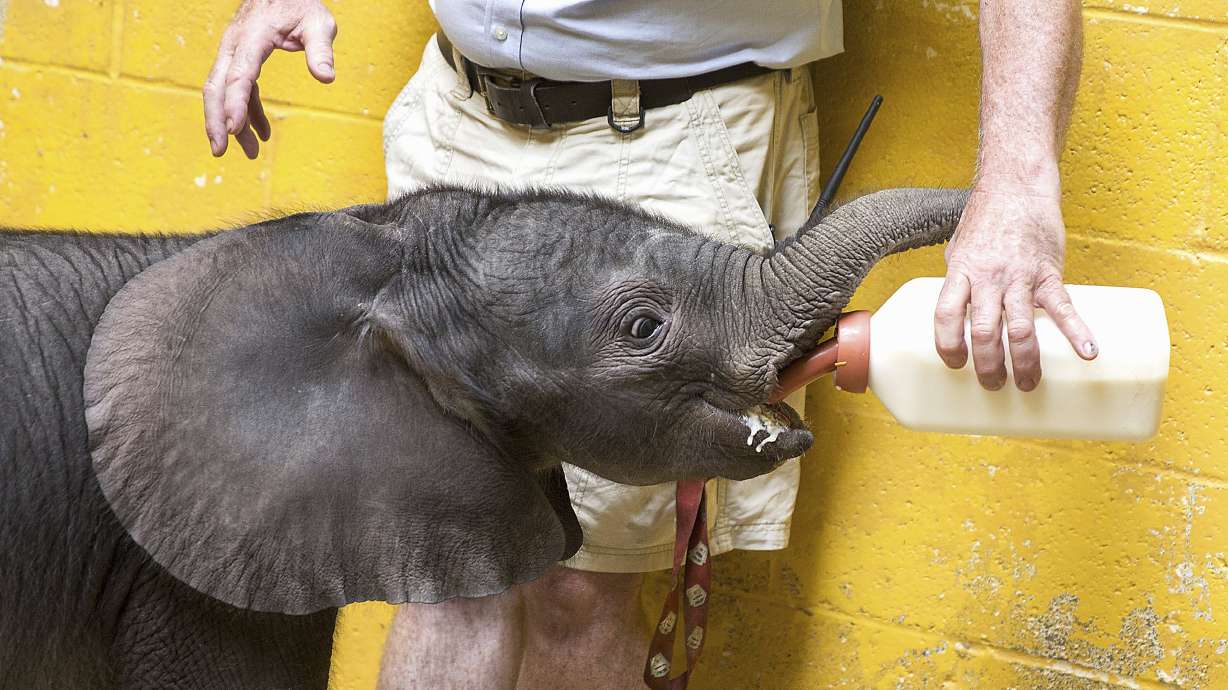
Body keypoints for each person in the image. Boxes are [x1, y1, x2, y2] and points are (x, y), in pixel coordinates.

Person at [203, 1, 1098, 687]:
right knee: (447, 570)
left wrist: (1020, 185)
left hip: (663, 138)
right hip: (457, 120)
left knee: (576, 589)